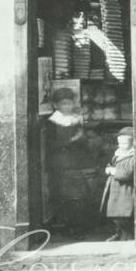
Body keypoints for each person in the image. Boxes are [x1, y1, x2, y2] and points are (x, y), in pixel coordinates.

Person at [45, 87, 93, 236]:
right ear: (56, 105)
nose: (67, 106)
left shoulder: (74, 119)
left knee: (77, 196)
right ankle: (67, 226)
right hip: (60, 163)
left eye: (70, 103)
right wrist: (73, 139)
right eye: (64, 103)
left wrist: (82, 137)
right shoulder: (52, 123)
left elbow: (83, 142)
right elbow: (52, 145)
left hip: (75, 162)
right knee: (64, 196)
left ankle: (77, 226)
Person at [100, 126, 134, 241]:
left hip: (125, 190)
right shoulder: (119, 153)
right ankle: (119, 233)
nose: (121, 146)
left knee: (124, 213)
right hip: (116, 189)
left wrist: (113, 171)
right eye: (119, 143)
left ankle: (126, 235)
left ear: (134, 143)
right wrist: (110, 168)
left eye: (124, 144)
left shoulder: (133, 156)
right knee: (115, 213)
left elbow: (127, 174)